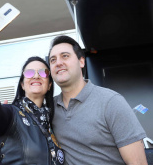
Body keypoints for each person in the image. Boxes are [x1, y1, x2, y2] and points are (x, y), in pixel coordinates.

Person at [0, 19, 65, 165]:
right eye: (29, 72)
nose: (36, 75)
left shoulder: (52, 125)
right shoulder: (11, 116)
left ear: (50, 84)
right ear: (22, 84)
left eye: (43, 73)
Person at [48, 35, 148, 165]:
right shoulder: (49, 109)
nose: (58, 63)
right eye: (53, 60)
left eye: (65, 56)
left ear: (81, 61)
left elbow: (138, 163)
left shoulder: (111, 102)